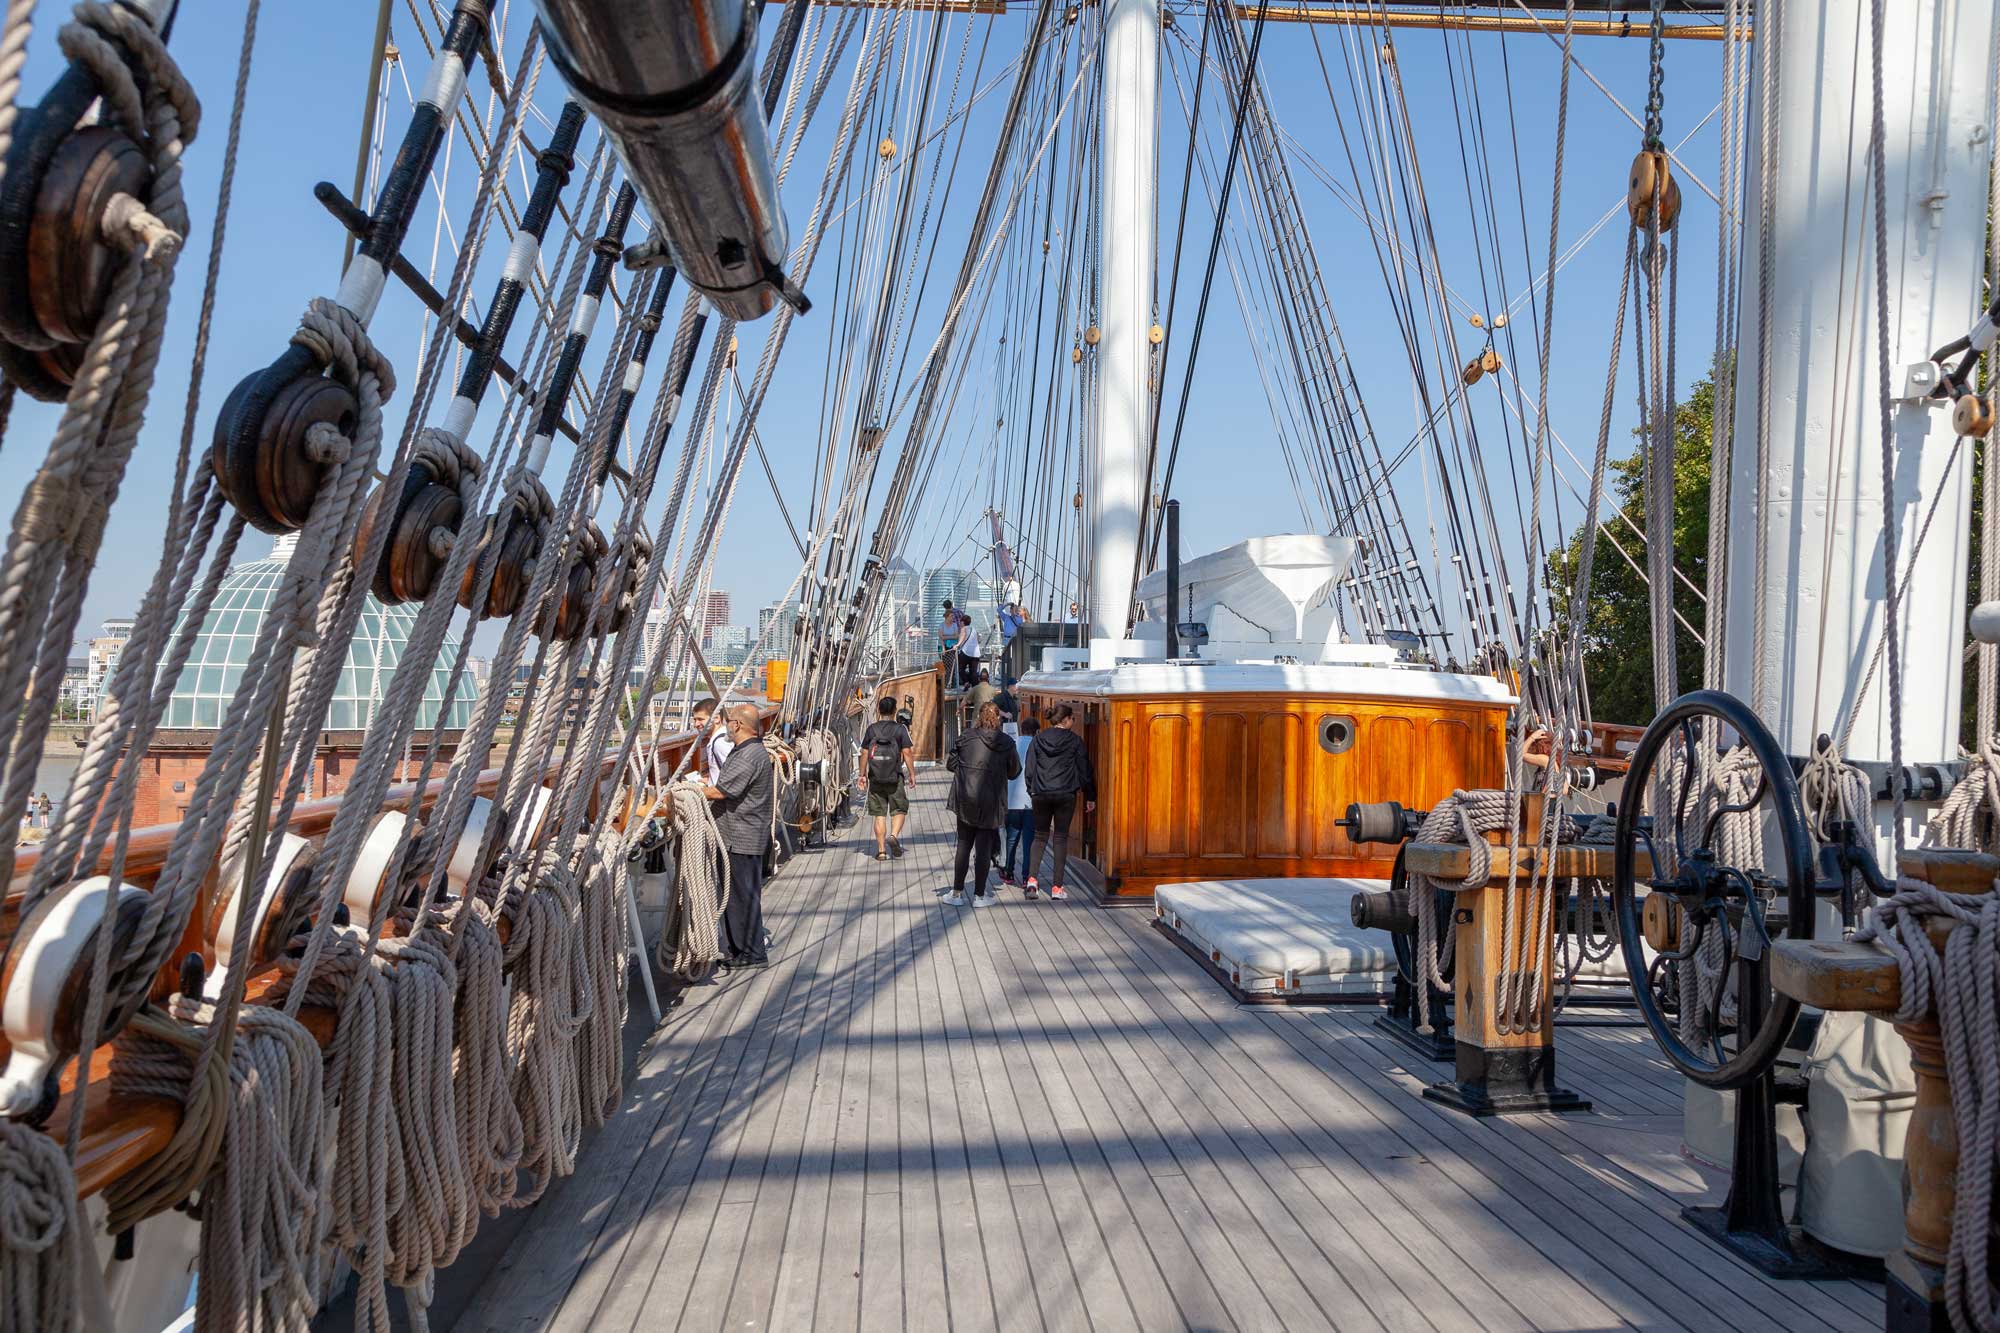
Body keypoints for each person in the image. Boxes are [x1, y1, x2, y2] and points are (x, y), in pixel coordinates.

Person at [701, 703, 773, 966]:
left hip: (741, 837)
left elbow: (722, 791)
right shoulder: (751, 751)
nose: (726, 724)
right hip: (745, 834)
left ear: (738, 725)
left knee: (740, 897)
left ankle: (750, 954)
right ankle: (745, 951)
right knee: (743, 895)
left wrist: (691, 789)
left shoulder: (747, 755)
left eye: (728, 720)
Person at [943, 701, 1019, 907]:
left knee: (963, 845)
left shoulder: (966, 737)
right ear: (998, 719)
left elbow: (951, 764)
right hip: (991, 802)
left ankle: (957, 893)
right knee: (984, 849)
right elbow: (1014, 772)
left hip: (965, 799)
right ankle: (979, 895)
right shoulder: (1006, 743)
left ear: (979, 716)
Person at [1023, 702, 1095, 900]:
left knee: (1039, 837)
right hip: (1065, 794)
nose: (1074, 721)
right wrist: (1090, 796)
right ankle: (1056, 888)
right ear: (1066, 720)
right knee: (1060, 838)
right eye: (1073, 718)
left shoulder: (1037, 740)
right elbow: (1084, 770)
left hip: (1041, 793)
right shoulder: (1075, 741)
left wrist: (1032, 790)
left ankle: (1032, 881)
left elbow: (1029, 769)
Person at [858, 694, 916, 861]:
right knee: (899, 809)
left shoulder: (871, 729)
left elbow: (864, 753)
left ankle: (882, 851)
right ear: (894, 711)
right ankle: (893, 835)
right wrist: (911, 774)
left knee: (879, 814)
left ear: (879, 710)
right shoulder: (900, 729)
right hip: (894, 777)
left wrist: (862, 775)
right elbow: (907, 752)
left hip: (875, 778)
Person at [1001, 717, 1039, 895]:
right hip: (1030, 801)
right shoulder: (1037, 746)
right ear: (1036, 731)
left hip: (1011, 800)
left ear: (1021, 729)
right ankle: (1026, 877)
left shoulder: (1012, 744)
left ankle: (1008, 871)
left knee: (1011, 838)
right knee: (1029, 841)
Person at [956, 614, 981, 688]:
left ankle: (966, 682)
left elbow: (962, 637)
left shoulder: (963, 629)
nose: (960, 624)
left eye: (960, 622)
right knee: (973, 672)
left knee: (960, 669)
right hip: (976, 654)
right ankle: (975, 688)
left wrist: (957, 645)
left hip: (966, 652)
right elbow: (978, 640)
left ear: (963, 622)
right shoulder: (974, 629)